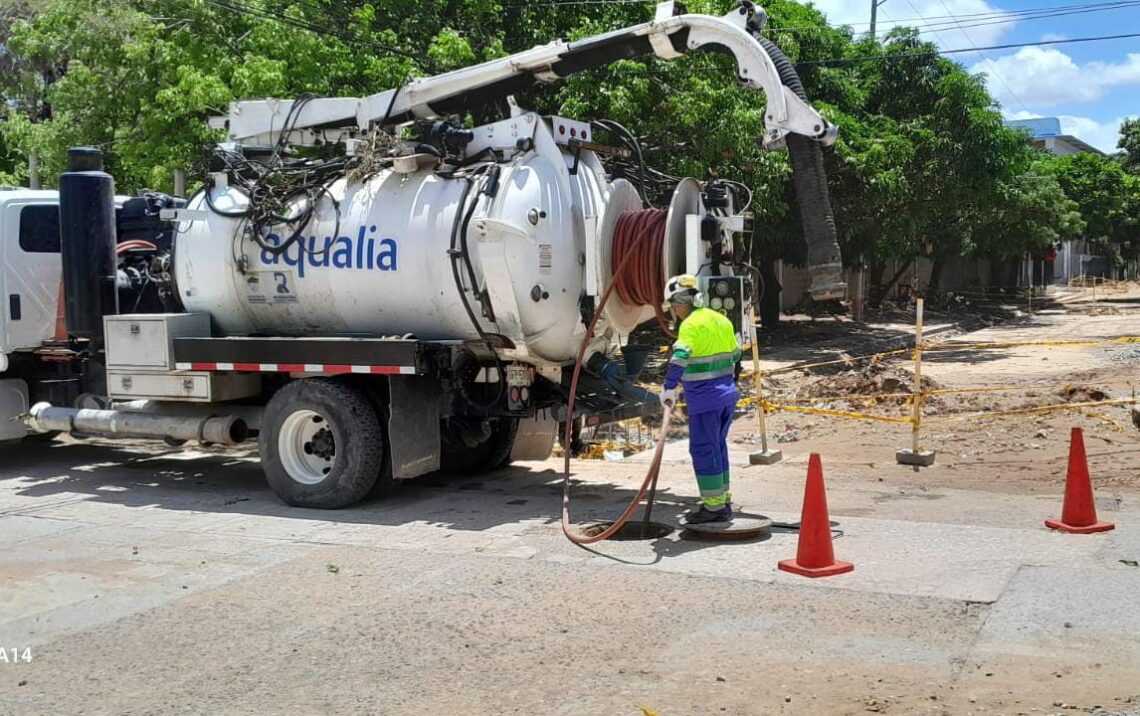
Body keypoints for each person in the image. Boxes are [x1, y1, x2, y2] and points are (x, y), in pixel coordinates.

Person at [659, 274, 742, 524]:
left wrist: (670, 387)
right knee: (718, 447)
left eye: (674, 306)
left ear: (682, 302)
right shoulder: (720, 319)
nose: (674, 311)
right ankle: (722, 498)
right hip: (727, 396)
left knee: (704, 450)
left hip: (705, 401)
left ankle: (714, 508)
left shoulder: (690, 325)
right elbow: (737, 353)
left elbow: (681, 355)